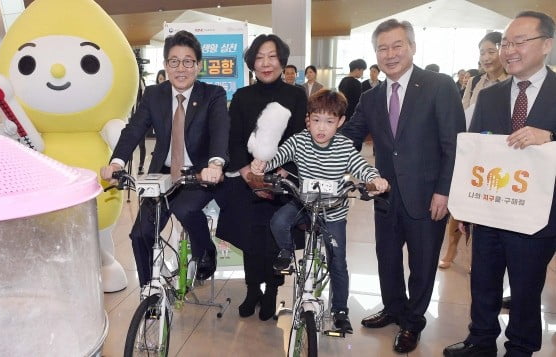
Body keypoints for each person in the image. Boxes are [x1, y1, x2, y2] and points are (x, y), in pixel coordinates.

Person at [341, 19, 465, 353]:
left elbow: (453, 145)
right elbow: (349, 137)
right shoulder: (371, 97)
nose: (390, 54)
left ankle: (412, 322)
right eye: (382, 48)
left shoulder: (439, 85)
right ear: (375, 54)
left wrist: (444, 191)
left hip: (428, 195)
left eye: (397, 46)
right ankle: (393, 307)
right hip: (385, 194)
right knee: (387, 257)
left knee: (423, 263)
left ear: (412, 46)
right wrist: (311, 147)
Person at [443, 11, 556, 357]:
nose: (509, 50)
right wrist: (464, 206)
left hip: (538, 213)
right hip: (490, 209)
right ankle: (480, 339)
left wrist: (550, 136)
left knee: (525, 286)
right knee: (483, 280)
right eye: (506, 42)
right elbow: (476, 152)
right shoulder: (491, 96)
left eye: (519, 41)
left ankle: (521, 346)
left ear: (546, 45)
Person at [251, 89, 389, 333]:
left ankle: (340, 310)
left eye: (329, 121)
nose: (321, 128)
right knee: (279, 221)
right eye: (316, 120)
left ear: (340, 122)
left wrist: (375, 179)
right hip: (304, 203)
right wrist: (262, 163)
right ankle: (286, 252)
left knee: (337, 262)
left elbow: (362, 167)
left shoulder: (345, 146)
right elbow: (278, 156)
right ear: (308, 119)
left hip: (333, 210)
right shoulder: (299, 141)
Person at [100, 30, 230, 287]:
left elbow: (220, 130)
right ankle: (149, 292)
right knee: (139, 235)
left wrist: (215, 163)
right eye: (174, 61)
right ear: (165, 65)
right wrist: (116, 163)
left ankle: (205, 251)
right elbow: (134, 130)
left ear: (198, 65)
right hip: (162, 174)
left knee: (184, 208)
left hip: (198, 175)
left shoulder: (212, 95)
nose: (180, 68)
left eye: (188, 61)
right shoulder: (154, 94)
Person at [215, 34, 307, 321]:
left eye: (272, 56)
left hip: (282, 181)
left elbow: (299, 139)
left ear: (282, 60)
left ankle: (271, 294)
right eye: (259, 57)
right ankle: (252, 290)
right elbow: (235, 138)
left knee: (274, 242)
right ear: (252, 63)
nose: (266, 63)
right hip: (247, 181)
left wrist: (281, 173)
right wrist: (247, 174)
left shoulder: (296, 95)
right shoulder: (242, 96)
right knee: (251, 240)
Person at [439, 31, 509, 270]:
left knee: (490, 209)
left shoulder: (510, 82)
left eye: (491, 51)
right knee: (461, 205)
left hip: (502, 158)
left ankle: (481, 258)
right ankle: (451, 250)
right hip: (472, 153)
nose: (486, 57)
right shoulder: (474, 81)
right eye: (482, 52)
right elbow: (464, 113)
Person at [136, 69, 167, 175]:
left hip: (160, 123)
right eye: (160, 78)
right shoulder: (151, 92)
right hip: (144, 118)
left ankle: (146, 163)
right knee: (141, 143)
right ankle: (141, 165)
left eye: (164, 78)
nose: (162, 81)